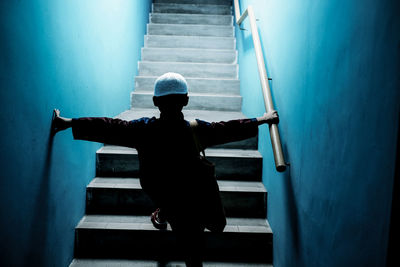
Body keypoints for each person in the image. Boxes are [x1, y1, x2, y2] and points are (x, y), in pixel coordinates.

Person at [52, 72, 279, 266]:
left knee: (173, 204)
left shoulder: (143, 129)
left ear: (155, 101)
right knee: (192, 243)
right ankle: (170, 220)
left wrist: (69, 123)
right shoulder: (196, 130)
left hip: (159, 189)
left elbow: (108, 127)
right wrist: (261, 119)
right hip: (190, 195)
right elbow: (228, 129)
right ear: (186, 100)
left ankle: (165, 211)